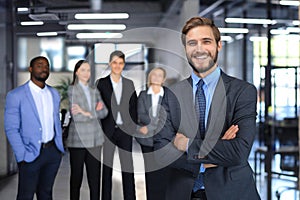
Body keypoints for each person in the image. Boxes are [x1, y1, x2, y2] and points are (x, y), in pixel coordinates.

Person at [153, 17, 261, 200]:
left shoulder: (242, 91)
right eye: (192, 43)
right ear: (186, 49)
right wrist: (211, 157)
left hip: (232, 192)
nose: (199, 49)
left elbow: (238, 152)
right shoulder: (172, 94)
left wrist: (185, 144)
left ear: (219, 45)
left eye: (206, 41)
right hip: (182, 191)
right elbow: (161, 150)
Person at [4, 56, 65, 200]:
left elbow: (55, 121)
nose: (44, 68)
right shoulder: (16, 95)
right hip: (29, 154)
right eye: (39, 65)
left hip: (52, 152)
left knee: (46, 194)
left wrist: (59, 148)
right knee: (26, 195)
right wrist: (22, 155)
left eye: (46, 66)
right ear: (30, 69)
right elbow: (11, 128)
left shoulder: (54, 94)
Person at [96, 50, 137, 200]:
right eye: (114, 62)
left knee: (128, 167)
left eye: (120, 63)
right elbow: (97, 107)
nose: (117, 66)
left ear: (123, 65)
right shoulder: (101, 83)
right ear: (109, 64)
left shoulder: (129, 83)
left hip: (125, 131)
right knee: (106, 169)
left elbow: (134, 107)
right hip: (107, 131)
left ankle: (130, 197)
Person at [65, 60, 108, 200]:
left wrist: (87, 113)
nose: (86, 73)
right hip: (78, 141)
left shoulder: (94, 91)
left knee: (95, 179)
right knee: (76, 178)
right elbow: (77, 117)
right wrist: (93, 113)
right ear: (76, 72)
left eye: (88, 70)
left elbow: (104, 112)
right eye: (83, 70)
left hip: (95, 140)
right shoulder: (72, 90)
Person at [136, 67, 169, 200]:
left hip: (165, 140)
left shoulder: (169, 95)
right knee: (150, 173)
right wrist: (157, 124)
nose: (156, 77)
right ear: (150, 77)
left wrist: (149, 126)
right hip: (147, 141)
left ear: (163, 79)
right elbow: (141, 115)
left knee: (163, 173)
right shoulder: (143, 95)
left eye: (159, 75)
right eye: (153, 74)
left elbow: (167, 117)